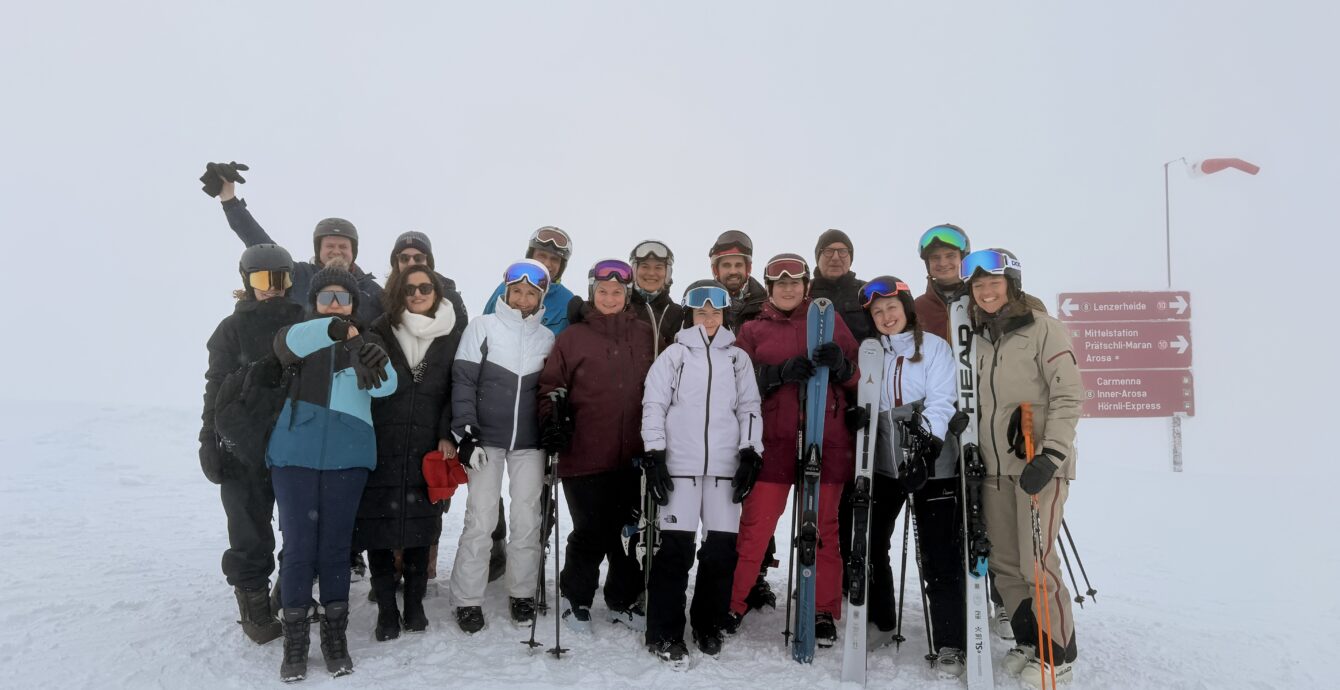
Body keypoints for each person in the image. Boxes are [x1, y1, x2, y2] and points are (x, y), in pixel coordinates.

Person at [267, 266, 397, 682]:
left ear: (355, 304)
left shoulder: (369, 342)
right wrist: (335, 330)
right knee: (299, 547)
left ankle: (335, 637)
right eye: (327, 297)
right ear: (314, 303)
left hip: (349, 455)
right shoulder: (301, 336)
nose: (336, 304)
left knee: (335, 548)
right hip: (294, 455)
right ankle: (295, 641)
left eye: (344, 298)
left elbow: (386, 387)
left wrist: (365, 350)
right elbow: (285, 345)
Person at [964, 249, 1083, 686]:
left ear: (1011, 285)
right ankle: (1030, 640)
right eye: (978, 286)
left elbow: (1068, 394)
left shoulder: (1043, 329)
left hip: (1037, 463)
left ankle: (1059, 654)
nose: (986, 292)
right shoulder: (978, 338)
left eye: (993, 283)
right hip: (994, 468)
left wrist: (1052, 455)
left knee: (1037, 562)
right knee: (1005, 564)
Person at [729, 253, 860, 648]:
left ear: (806, 286)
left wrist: (841, 367)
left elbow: (859, 375)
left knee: (822, 530)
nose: (787, 288)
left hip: (825, 439)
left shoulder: (828, 321)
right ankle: (733, 602)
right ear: (769, 288)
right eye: (780, 283)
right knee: (756, 528)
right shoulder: (753, 329)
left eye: (794, 282)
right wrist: (776, 374)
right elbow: (736, 380)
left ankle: (822, 609)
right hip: (772, 442)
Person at [640, 280, 763, 666]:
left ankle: (708, 624)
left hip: (724, 471)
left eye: (715, 312)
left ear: (725, 315)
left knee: (721, 552)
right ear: (690, 315)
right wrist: (655, 454)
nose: (708, 318)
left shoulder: (737, 359)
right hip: (680, 469)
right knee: (675, 552)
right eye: (700, 311)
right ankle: (664, 633)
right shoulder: (674, 356)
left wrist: (750, 452)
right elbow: (654, 404)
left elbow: (749, 407)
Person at [536, 259, 655, 633]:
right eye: (603, 291)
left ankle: (622, 600)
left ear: (627, 294)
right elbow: (550, 385)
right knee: (590, 530)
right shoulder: (573, 337)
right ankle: (576, 599)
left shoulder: (645, 334)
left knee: (627, 533)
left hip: (633, 454)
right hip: (584, 451)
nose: (610, 297)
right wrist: (552, 419)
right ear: (593, 292)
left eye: (617, 291)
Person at [859, 276, 968, 677]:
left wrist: (928, 443)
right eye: (877, 311)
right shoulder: (872, 353)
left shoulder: (934, 348)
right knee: (872, 544)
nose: (886, 316)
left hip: (932, 464)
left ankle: (950, 641)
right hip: (886, 464)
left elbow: (942, 400)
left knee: (937, 553)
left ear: (906, 309)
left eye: (892, 307)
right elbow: (868, 399)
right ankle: (882, 620)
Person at [200, 243, 305, 646]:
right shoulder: (231, 329)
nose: (273, 287)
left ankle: (286, 589)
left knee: (300, 525)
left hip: (293, 439)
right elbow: (215, 389)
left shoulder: (303, 321)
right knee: (248, 529)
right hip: (242, 444)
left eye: (281, 278)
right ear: (247, 282)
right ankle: (254, 604)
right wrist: (208, 440)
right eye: (263, 279)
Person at [355, 265, 464, 641]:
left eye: (425, 287)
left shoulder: (452, 335)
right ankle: (387, 610)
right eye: (409, 288)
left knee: (421, 526)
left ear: (436, 292)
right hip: (382, 442)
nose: (417, 294)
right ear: (398, 293)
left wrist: (447, 433)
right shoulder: (379, 331)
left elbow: (455, 390)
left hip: (427, 444)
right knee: (379, 529)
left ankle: (414, 606)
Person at [449, 260, 556, 633]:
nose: (523, 299)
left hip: (529, 443)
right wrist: (466, 434)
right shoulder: (483, 327)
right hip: (485, 440)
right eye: (517, 291)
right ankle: (467, 599)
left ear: (540, 298)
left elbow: (550, 392)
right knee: (481, 518)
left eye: (531, 293)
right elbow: (463, 381)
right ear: (506, 292)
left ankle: (522, 592)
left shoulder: (547, 338)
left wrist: (553, 431)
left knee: (527, 518)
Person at [382, 230, 472, 581]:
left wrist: (449, 426)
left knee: (431, 485)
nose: (410, 263)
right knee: (390, 489)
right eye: (403, 258)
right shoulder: (383, 299)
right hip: (393, 413)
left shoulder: (448, 299)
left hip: (434, 409)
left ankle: (423, 564)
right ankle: (393, 564)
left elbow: (456, 362)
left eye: (417, 258)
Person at [201, 162, 385, 325]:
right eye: (330, 246)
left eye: (343, 247)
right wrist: (229, 199)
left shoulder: (372, 291)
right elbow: (258, 242)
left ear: (354, 252)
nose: (336, 251)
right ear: (318, 250)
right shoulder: (299, 275)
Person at [481, 226, 577, 335]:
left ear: (561, 266)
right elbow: (485, 325)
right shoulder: (507, 288)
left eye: (554, 259)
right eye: (542, 255)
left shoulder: (566, 301)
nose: (547, 264)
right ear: (530, 257)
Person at [808, 229, 871, 342]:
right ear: (818, 258)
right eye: (828, 251)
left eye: (843, 251)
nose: (835, 257)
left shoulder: (868, 291)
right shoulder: (803, 291)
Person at [627, 240, 683, 355]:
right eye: (645, 266)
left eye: (658, 267)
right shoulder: (620, 306)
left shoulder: (677, 314)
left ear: (667, 273)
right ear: (634, 271)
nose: (651, 273)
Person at [708, 230, 768, 333]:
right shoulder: (702, 304)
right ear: (716, 270)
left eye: (738, 265)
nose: (733, 271)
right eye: (726, 265)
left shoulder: (766, 306)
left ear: (747, 268)